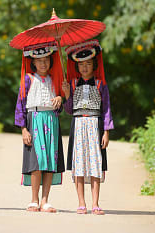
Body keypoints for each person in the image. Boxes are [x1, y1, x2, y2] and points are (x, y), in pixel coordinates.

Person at [62, 40, 114, 215]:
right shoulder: (73, 84)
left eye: (88, 63)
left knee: (95, 163)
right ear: (77, 65)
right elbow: (69, 110)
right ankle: (81, 203)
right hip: (78, 125)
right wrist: (68, 95)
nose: (84, 67)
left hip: (94, 125)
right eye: (81, 64)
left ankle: (96, 203)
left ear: (94, 64)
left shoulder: (100, 84)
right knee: (79, 164)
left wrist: (106, 132)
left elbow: (106, 109)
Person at [15, 41, 65, 213]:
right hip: (34, 119)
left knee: (50, 161)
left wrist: (61, 97)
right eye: (39, 60)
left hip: (51, 121)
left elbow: (62, 105)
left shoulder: (56, 79)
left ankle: (45, 200)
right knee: (37, 161)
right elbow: (20, 104)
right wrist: (23, 129)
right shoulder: (28, 79)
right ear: (33, 62)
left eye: (46, 60)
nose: (43, 63)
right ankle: (34, 199)